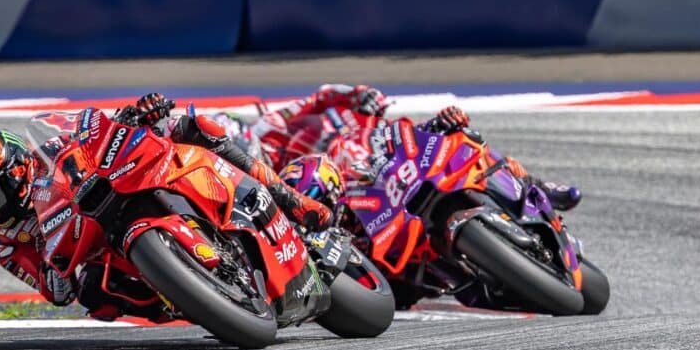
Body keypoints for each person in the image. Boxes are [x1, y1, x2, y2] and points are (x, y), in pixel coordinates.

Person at [0, 93, 332, 320]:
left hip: (114, 185)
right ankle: (186, 299)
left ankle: (292, 201)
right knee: (93, 295)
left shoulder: (47, 153)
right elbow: (55, 292)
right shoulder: (3, 241)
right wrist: (56, 268)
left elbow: (92, 131)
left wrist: (136, 114)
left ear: (17, 169)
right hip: (99, 249)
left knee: (195, 128)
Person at [245, 84, 581, 212]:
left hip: (386, 142)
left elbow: (323, 93)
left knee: (458, 134)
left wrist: (360, 94)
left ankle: (533, 186)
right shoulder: (271, 180)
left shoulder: (271, 126)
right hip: (357, 192)